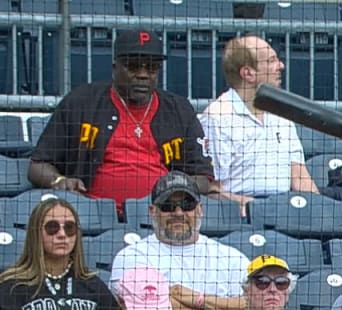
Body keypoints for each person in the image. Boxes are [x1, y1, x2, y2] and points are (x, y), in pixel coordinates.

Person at [28, 30, 212, 212]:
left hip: (163, 217)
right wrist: (59, 181)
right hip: (90, 213)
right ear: (115, 67)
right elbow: (37, 167)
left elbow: (203, 178)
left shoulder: (179, 110)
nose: (143, 75)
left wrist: (174, 188)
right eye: (133, 66)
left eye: (151, 67)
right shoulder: (81, 102)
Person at [111, 171, 249, 310]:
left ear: (200, 209)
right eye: (168, 206)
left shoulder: (231, 257)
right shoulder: (132, 257)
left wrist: (198, 299)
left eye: (187, 205)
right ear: (152, 211)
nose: (178, 213)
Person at [200, 35, 318, 216]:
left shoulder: (282, 113)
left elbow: (299, 176)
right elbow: (212, 190)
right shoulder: (218, 116)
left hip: (285, 210)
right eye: (271, 61)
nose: (281, 66)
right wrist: (258, 209)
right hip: (239, 214)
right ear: (248, 73)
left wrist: (316, 210)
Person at [0, 198, 118, 310]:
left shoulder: (93, 285)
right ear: (36, 233)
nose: (62, 234)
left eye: (69, 228)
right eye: (52, 227)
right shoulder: (13, 286)